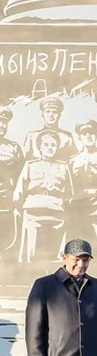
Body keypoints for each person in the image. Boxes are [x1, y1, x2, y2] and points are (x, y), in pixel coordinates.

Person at [14, 130, 74, 263]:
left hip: (57, 212)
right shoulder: (30, 165)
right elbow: (20, 189)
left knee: (56, 252)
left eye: (53, 145)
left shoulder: (63, 166)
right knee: (33, 250)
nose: (49, 148)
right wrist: (18, 205)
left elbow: (70, 192)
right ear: (39, 147)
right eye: (46, 145)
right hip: (34, 211)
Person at [69, 120, 97, 259]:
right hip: (81, 207)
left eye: (91, 133)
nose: (88, 136)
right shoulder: (73, 160)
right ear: (80, 137)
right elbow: (70, 185)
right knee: (83, 245)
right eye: (84, 134)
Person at [0, 107, 25, 251]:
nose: (2, 126)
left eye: (4, 123)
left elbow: (20, 173)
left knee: (6, 236)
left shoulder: (13, 147)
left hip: (6, 198)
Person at [23, 96, 76, 162]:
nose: (51, 115)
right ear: (43, 115)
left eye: (54, 112)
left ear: (59, 116)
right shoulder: (31, 137)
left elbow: (73, 161)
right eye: (47, 112)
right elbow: (24, 161)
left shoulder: (67, 137)